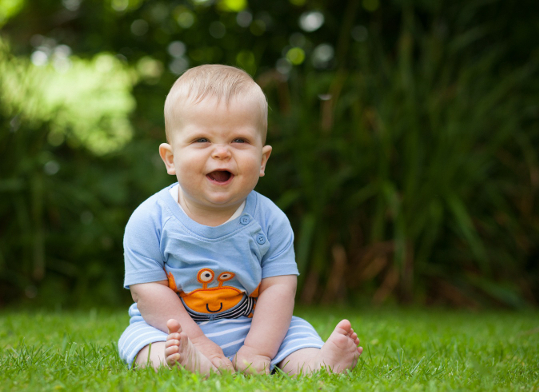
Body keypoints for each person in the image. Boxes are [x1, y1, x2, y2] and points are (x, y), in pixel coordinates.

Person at [117, 64, 362, 376]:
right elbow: (148, 292)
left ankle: (319, 364)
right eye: (202, 140)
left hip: (257, 326)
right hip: (173, 328)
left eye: (239, 141)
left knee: (296, 332)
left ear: (262, 161)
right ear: (171, 158)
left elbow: (278, 288)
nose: (222, 152)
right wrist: (198, 342)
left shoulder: (270, 220)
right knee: (142, 343)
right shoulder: (149, 219)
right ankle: (186, 361)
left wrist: (258, 350)